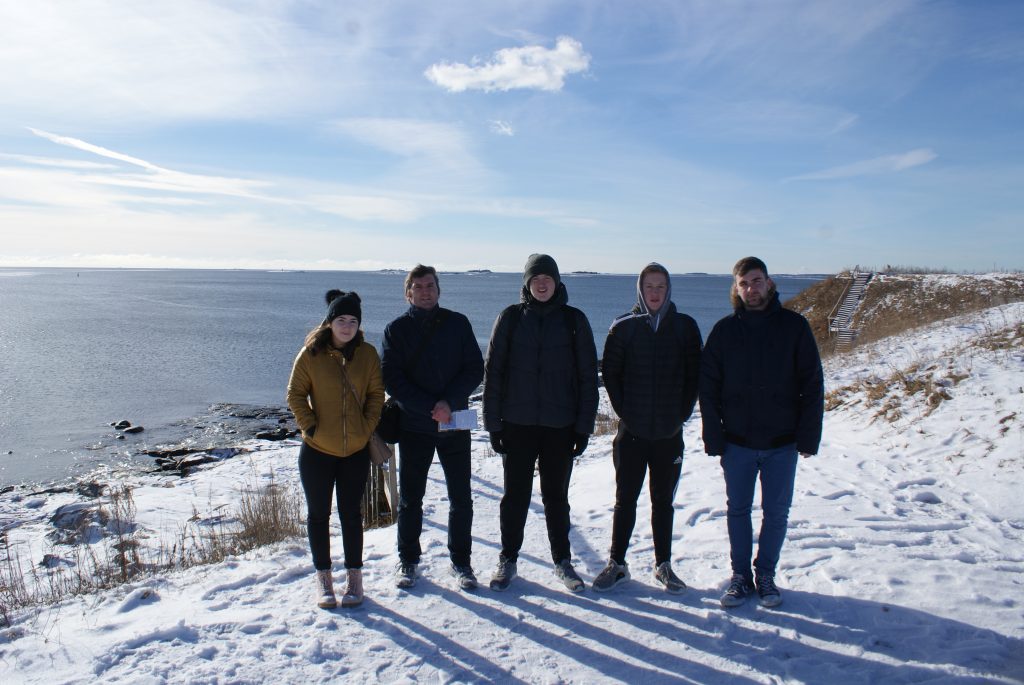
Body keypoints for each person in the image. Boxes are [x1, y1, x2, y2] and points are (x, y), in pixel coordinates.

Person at [699, 257, 824, 608]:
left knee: (776, 513)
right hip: (737, 443)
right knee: (738, 510)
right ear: (736, 288)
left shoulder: (794, 326)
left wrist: (808, 436)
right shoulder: (725, 331)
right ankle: (740, 576)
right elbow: (708, 387)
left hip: (781, 443)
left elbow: (812, 383)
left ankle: (765, 575)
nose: (751, 289)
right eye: (744, 283)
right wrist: (713, 435)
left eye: (756, 281)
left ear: (768, 283)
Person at [483, 254, 599, 592]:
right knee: (515, 496)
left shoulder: (574, 320)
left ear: (557, 281)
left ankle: (562, 561)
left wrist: (583, 427)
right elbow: (494, 372)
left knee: (556, 497)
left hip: (559, 426)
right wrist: (494, 424)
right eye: (535, 279)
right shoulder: (510, 318)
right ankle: (508, 559)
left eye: (547, 278)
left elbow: (587, 377)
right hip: (517, 424)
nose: (542, 284)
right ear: (527, 284)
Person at [594, 263, 702, 594]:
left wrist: (681, 414)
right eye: (649, 287)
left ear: (668, 290)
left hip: (669, 435)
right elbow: (611, 373)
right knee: (625, 499)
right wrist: (626, 412)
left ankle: (663, 564)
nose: (654, 293)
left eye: (660, 286)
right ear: (640, 290)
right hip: (632, 435)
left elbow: (694, 374)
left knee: (663, 502)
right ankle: (617, 563)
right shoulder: (623, 326)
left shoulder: (685, 327)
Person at [382, 265, 485, 590]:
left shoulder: (458, 323)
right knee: (411, 498)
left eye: (430, 285)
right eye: (418, 287)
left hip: (454, 423)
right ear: (408, 293)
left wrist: (448, 403)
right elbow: (392, 379)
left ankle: (461, 562)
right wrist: (431, 407)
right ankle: (408, 560)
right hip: (415, 425)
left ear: (438, 290)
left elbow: (474, 368)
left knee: (461, 498)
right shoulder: (396, 330)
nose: (425, 291)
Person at [287, 290, 384, 609]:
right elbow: (295, 394)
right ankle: (324, 580)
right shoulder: (311, 354)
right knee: (318, 515)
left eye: (353, 321)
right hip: (317, 450)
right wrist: (310, 426)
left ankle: (355, 579)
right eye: (341, 319)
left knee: (351, 515)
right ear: (329, 322)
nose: (347, 326)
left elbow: (376, 394)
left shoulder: (367, 354)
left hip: (355, 450)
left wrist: (367, 427)